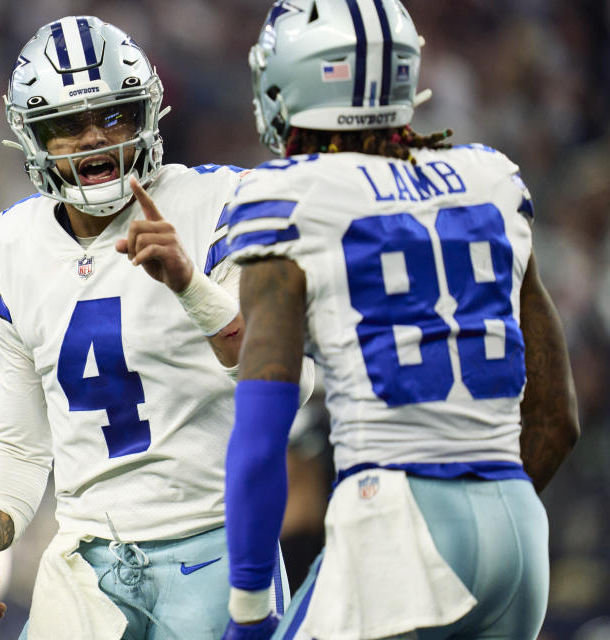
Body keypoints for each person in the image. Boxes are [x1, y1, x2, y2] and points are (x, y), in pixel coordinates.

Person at [0, 15, 314, 640]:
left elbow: (287, 383)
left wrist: (190, 285)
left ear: (147, 114)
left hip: (216, 540)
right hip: (87, 556)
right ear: (31, 137)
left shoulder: (223, 203)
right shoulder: (12, 241)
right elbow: (20, 440)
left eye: (113, 116)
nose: (94, 139)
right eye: (67, 125)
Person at [221, 1, 579, 639]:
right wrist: (484, 508)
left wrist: (249, 609)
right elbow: (558, 418)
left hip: (395, 520)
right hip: (520, 535)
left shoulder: (287, 197)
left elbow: (258, 438)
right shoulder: (490, 179)